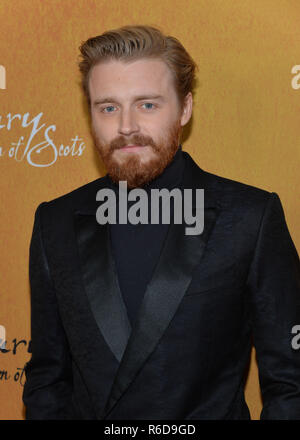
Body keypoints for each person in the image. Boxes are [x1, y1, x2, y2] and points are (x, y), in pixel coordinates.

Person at [23, 25, 300, 420]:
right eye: (108, 107)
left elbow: (290, 382)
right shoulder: (56, 222)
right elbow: (47, 379)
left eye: (147, 105)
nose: (126, 126)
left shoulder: (249, 219)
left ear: (185, 108)